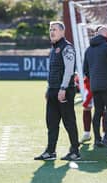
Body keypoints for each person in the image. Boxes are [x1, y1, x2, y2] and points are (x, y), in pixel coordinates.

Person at [34, 21, 80, 161]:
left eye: (54, 29)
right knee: (51, 122)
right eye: (50, 29)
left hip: (64, 90)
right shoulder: (54, 48)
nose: (51, 32)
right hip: (53, 90)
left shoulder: (67, 48)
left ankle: (75, 151)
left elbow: (69, 70)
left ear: (62, 32)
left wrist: (63, 88)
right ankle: (50, 152)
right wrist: (49, 89)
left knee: (69, 122)